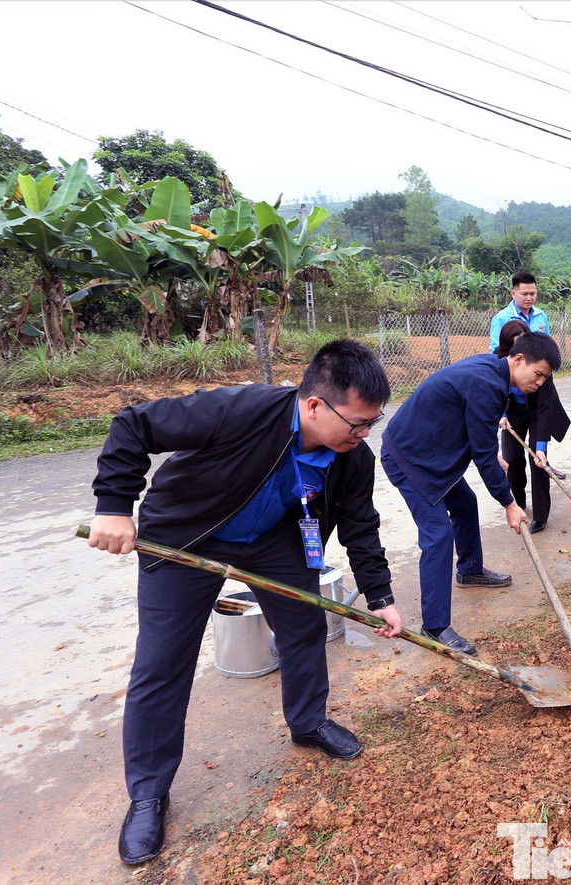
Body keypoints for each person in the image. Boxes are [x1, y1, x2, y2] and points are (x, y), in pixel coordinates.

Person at [86, 340, 403, 866]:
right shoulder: (241, 409)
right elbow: (133, 425)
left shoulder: (353, 457)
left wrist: (381, 594)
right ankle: (148, 793)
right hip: (189, 536)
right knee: (162, 662)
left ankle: (308, 722)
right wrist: (114, 506)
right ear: (315, 405)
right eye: (358, 422)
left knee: (304, 627)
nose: (365, 433)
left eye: (373, 422)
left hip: (274, 539)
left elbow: (360, 525)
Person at [380, 332, 562, 656]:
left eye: (544, 378)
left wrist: (492, 454)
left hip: (431, 454)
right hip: (410, 458)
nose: (539, 383)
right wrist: (509, 502)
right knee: (438, 535)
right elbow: (481, 453)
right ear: (519, 359)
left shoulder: (495, 374)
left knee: (465, 503)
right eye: (538, 375)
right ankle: (435, 627)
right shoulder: (487, 384)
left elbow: (481, 437)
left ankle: (469, 569)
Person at [495, 321, 570, 535]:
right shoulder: (498, 361)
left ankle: (540, 516)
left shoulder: (541, 367)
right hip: (512, 411)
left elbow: (545, 408)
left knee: (538, 461)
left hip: (537, 411)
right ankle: (517, 503)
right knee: (511, 458)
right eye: (515, 345)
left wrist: (541, 447)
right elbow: (496, 392)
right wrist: (502, 414)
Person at [488, 271, 550, 351]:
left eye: (532, 294)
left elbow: (547, 345)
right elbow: (496, 351)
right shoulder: (501, 318)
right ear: (513, 294)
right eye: (524, 294)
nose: (529, 298)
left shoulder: (541, 315)